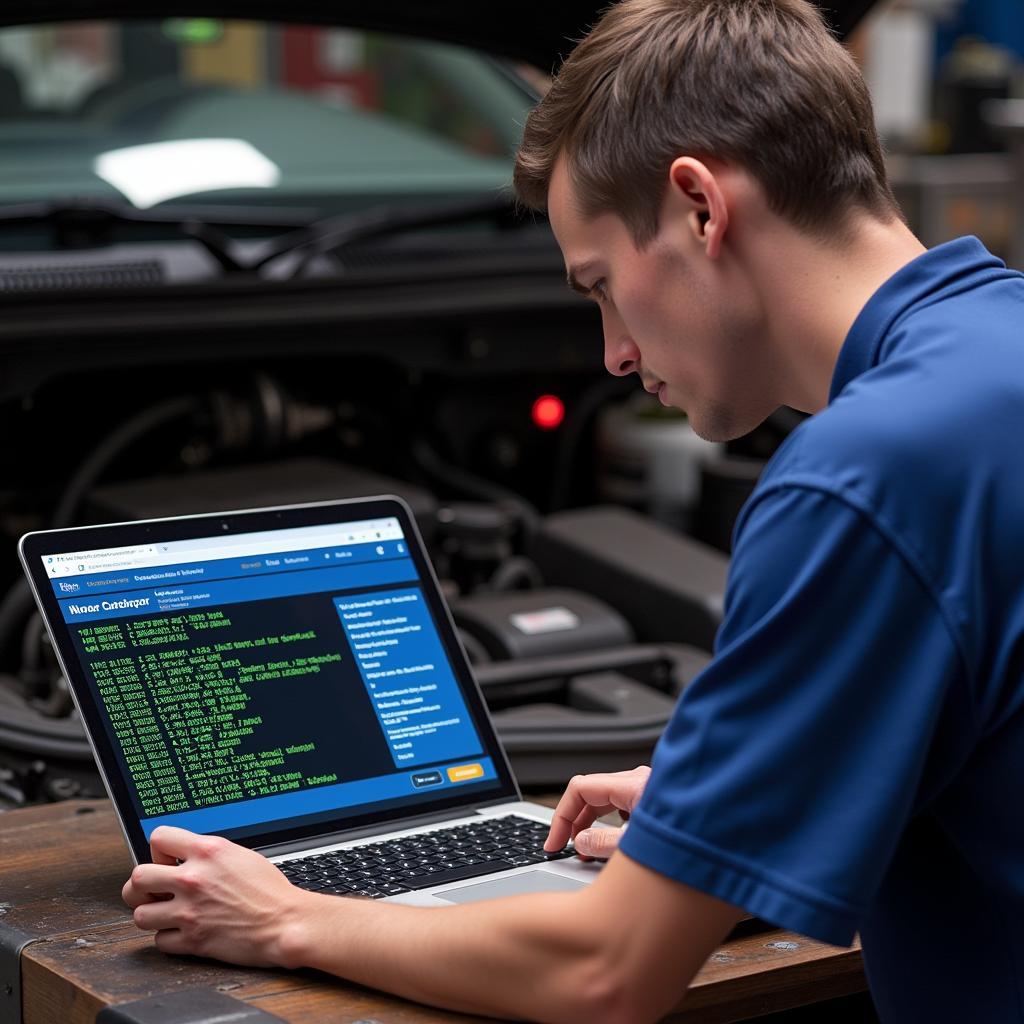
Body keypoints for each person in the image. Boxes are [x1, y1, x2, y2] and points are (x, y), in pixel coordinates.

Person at [121, 1, 1024, 1020]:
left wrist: (284, 916)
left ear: (697, 205)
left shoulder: (862, 479)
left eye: (600, 285)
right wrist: (723, 811)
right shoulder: (998, 347)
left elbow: (607, 972)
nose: (614, 356)